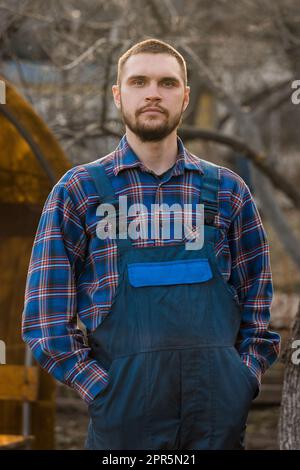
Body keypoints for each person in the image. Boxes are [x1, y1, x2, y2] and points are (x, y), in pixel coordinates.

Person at [22, 38, 281, 450]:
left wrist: (241, 379)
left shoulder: (229, 191)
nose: (153, 93)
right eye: (139, 81)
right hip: (122, 426)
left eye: (167, 83)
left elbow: (258, 309)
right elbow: (45, 321)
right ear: (118, 94)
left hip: (216, 422)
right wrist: (102, 392)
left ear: (185, 96)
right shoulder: (79, 191)